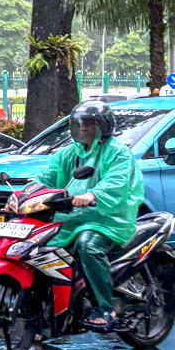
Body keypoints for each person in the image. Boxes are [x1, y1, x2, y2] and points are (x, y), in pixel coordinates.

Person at [28, 100, 144, 330]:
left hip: (109, 218)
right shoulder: (69, 153)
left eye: (90, 124)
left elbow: (116, 183)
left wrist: (93, 195)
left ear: (103, 126)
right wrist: (25, 195)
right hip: (73, 217)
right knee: (37, 246)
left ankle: (106, 308)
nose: (83, 128)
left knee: (88, 245)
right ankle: (51, 309)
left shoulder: (118, 153)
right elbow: (47, 177)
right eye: (79, 124)